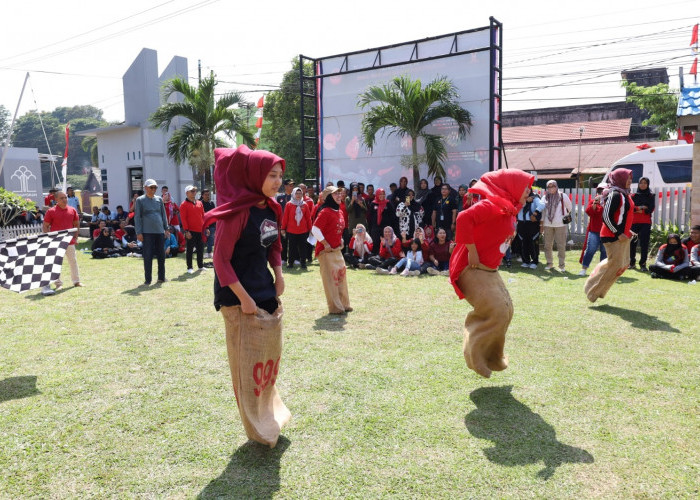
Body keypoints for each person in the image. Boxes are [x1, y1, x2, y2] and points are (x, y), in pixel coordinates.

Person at [203, 145, 290, 448]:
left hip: (263, 288)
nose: (277, 181)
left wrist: (278, 275)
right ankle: (258, 427)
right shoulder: (236, 213)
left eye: (280, 175)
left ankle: (270, 413)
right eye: (271, 175)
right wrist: (243, 298)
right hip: (237, 295)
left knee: (267, 362)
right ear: (254, 175)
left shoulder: (271, 208)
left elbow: (274, 245)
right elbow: (220, 260)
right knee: (247, 367)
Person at [449, 169, 534, 378]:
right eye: (525, 186)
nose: (529, 191)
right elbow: (463, 218)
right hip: (472, 268)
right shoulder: (492, 205)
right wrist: (472, 252)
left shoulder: (510, 208)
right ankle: (475, 358)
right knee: (496, 310)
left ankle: (493, 357)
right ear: (512, 187)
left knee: (507, 310)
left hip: (490, 270)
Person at [584, 169, 635, 302]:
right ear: (620, 179)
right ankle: (592, 291)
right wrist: (618, 233)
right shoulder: (615, 194)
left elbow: (623, 216)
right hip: (612, 236)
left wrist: (627, 230)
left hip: (622, 235)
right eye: (627, 178)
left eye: (631, 178)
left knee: (622, 264)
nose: (630, 180)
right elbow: (606, 216)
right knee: (615, 265)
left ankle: (599, 291)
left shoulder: (625, 194)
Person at [311, 186, 352, 314]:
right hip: (326, 252)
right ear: (329, 197)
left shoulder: (338, 211)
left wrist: (340, 240)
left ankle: (344, 304)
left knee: (341, 277)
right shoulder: (325, 211)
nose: (339, 196)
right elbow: (315, 229)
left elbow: (338, 228)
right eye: (335, 194)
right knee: (331, 280)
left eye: (340, 193)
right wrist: (325, 243)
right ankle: (335, 308)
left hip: (337, 250)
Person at [41, 190, 83, 295]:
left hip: (69, 241)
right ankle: (58, 284)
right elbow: (45, 226)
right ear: (56, 200)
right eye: (62, 198)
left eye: (65, 197)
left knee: (73, 261)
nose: (65, 200)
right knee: (56, 263)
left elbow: (76, 225)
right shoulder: (51, 211)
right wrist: (48, 239)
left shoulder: (72, 210)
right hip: (56, 241)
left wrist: (76, 238)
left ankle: (76, 282)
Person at [134, 178, 169, 285]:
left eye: (155, 187)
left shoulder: (159, 199)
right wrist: (139, 232)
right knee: (148, 255)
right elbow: (137, 217)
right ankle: (148, 279)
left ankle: (161, 277)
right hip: (147, 232)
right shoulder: (140, 200)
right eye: (151, 187)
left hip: (159, 231)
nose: (154, 189)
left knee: (161, 255)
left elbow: (163, 215)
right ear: (145, 188)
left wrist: (166, 228)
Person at [541, 180, 572, 272]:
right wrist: (541, 225)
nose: (551, 189)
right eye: (549, 187)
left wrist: (561, 215)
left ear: (556, 186)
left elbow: (569, 207)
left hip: (560, 224)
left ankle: (561, 265)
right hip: (547, 224)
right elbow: (542, 211)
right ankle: (549, 263)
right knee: (547, 245)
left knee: (561, 245)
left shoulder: (562, 196)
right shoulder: (545, 197)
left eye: (553, 186)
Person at [578, 183, 607, 276]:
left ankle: (602, 271)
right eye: (599, 190)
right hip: (594, 230)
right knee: (590, 249)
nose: (600, 192)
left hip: (606, 231)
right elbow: (589, 212)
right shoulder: (593, 201)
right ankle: (584, 269)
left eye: (602, 190)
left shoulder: (610, 201)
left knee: (604, 251)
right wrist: (595, 202)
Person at [281, 187, 312, 269]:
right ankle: (290, 263)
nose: (298, 195)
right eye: (297, 193)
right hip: (291, 230)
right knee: (291, 248)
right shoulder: (289, 204)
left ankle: (303, 263)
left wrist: (310, 229)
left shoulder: (305, 204)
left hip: (303, 230)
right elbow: (285, 218)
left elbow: (308, 218)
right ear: (293, 194)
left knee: (303, 248)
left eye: (300, 193)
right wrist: (283, 228)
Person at [629, 177, 655, 271]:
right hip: (634, 222)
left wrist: (640, 210)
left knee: (644, 244)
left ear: (648, 184)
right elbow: (631, 208)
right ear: (638, 184)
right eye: (641, 183)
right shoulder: (633, 196)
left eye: (645, 183)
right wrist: (641, 207)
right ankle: (632, 263)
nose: (643, 184)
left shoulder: (651, 196)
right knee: (632, 243)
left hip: (645, 223)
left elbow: (651, 209)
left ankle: (643, 264)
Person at [180, 185, 207, 274]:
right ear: (187, 193)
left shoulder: (199, 203)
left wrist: (206, 227)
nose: (194, 192)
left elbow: (203, 216)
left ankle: (200, 266)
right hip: (190, 231)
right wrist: (186, 231)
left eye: (195, 191)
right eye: (192, 191)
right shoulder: (183, 204)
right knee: (190, 249)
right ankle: (190, 267)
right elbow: (183, 219)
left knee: (200, 249)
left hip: (200, 230)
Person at [516, 187, 543, 269]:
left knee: (533, 242)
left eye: (528, 189)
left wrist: (535, 213)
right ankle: (525, 261)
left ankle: (534, 261)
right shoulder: (518, 198)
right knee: (523, 242)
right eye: (524, 189)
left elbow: (542, 205)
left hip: (532, 223)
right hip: (521, 223)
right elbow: (515, 207)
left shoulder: (534, 197)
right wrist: (524, 201)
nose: (526, 191)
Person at [276, 178, 294, 263]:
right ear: (285, 186)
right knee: (283, 241)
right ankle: (283, 258)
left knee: (293, 241)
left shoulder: (295, 197)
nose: (292, 186)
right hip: (282, 223)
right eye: (290, 185)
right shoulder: (280, 197)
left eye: (292, 185)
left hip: (292, 223)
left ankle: (294, 258)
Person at [201, 189, 216, 258]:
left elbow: (214, 213)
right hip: (203, 224)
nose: (207, 196)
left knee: (211, 238)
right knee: (203, 238)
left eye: (208, 194)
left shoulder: (211, 203)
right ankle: (200, 252)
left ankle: (209, 252)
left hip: (211, 224)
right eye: (206, 195)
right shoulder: (200, 204)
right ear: (202, 195)